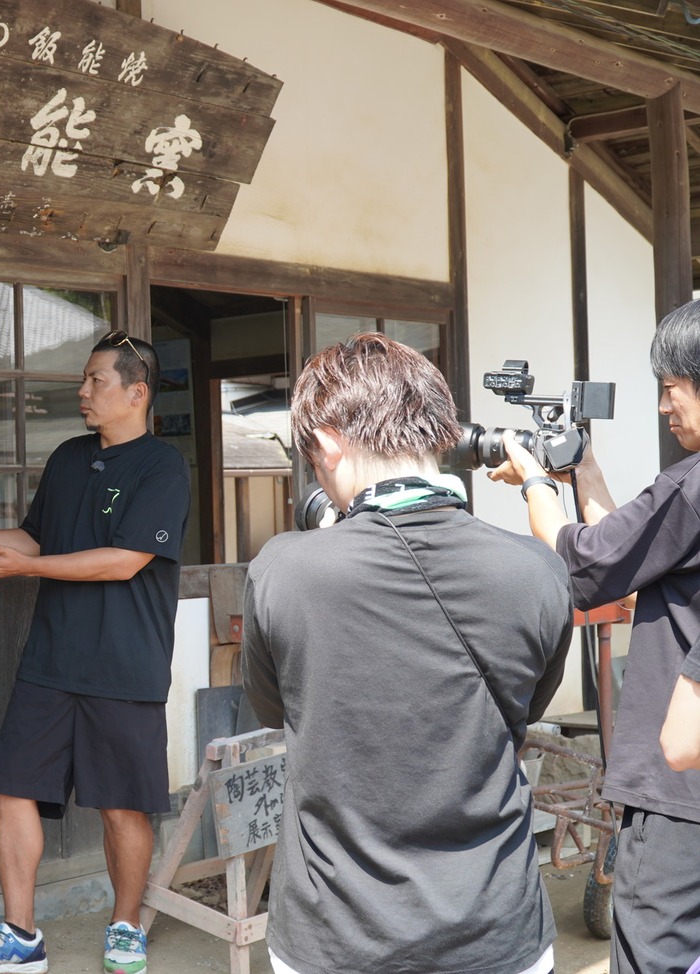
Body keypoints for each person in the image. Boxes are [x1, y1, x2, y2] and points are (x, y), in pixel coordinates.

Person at [240, 333, 572, 974]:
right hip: (497, 929)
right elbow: (525, 708)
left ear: (329, 440)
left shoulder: (285, 570)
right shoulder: (535, 570)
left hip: (336, 932)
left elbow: (271, 705)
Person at [0, 330, 189, 974]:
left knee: (121, 804)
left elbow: (124, 561)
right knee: (12, 789)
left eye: (95, 381)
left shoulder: (162, 467)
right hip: (52, 660)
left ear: (136, 393)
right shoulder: (67, 458)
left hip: (125, 662)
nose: (82, 392)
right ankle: (21, 935)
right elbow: (31, 540)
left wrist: (23, 571)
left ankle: (124, 924)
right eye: (83, 380)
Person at [489, 297, 700, 974]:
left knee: (654, 953)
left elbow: (583, 565)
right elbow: (621, 555)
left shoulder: (690, 488)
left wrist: (531, 485)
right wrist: (578, 468)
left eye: (671, 388)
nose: (665, 407)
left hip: (679, 791)